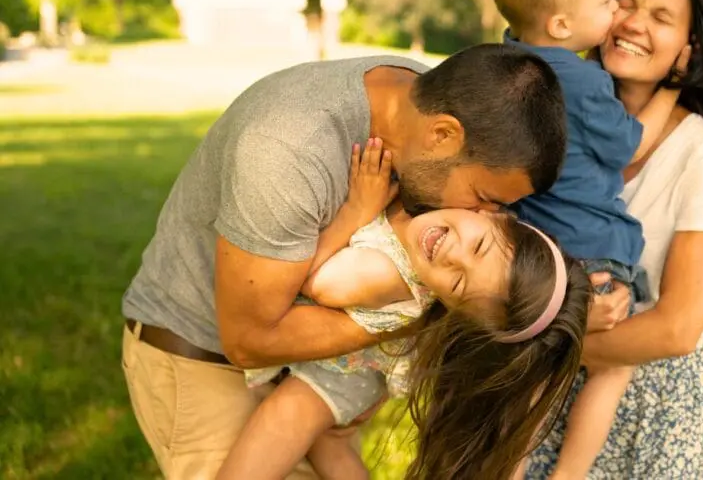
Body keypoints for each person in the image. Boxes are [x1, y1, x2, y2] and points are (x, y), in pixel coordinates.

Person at [120, 43, 569, 478]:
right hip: (205, 362)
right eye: (484, 198)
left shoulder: (419, 106)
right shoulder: (287, 150)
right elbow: (249, 340)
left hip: (293, 371)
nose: (482, 216)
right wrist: (412, 321)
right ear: (444, 134)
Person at [524, 0, 703, 479]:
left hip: (652, 404)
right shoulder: (540, 113)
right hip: (531, 396)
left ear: (691, 47)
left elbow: (676, 329)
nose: (632, 24)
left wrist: (545, 346)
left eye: (661, 17)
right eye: (625, 3)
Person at [217, 139, 591, 480]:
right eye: (478, 247)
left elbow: (318, 283)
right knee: (328, 446)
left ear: (450, 306)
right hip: (362, 370)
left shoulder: (387, 274)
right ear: (495, 214)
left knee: (282, 422)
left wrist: (357, 209)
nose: (452, 255)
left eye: (458, 283)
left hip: (340, 376)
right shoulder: (434, 205)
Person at [491, 0, 689, 479]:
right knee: (611, 369)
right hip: (593, 250)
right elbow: (627, 143)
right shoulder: (579, 83)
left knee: (528, 377)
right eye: (609, 1)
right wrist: (673, 89)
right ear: (562, 24)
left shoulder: (502, 63)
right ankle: (569, 474)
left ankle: (507, 468)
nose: (616, 16)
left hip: (531, 249)